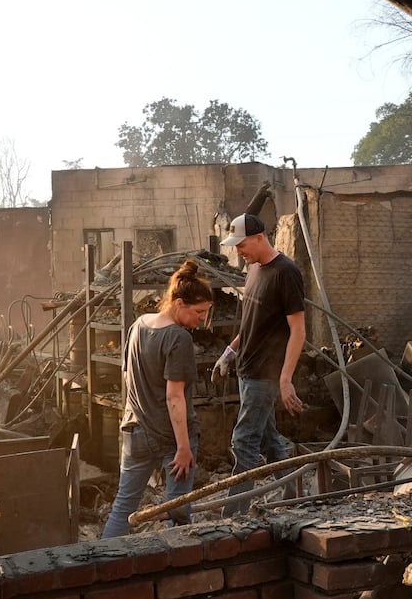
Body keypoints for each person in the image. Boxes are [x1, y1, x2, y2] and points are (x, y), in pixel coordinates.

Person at [102, 259, 214, 536]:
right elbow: (174, 398)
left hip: (134, 430)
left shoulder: (138, 326)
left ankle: (100, 562)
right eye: (199, 311)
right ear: (179, 304)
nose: (203, 318)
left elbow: (127, 377)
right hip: (170, 436)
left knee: (123, 506)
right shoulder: (179, 338)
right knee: (177, 509)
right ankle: (175, 567)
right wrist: (184, 447)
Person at [214, 212, 305, 509]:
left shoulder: (286, 272)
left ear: (259, 238)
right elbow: (252, 322)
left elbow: (298, 331)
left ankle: (235, 515)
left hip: (265, 376)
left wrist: (285, 378)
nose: (238, 251)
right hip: (247, 370)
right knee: (270, 442)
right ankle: (294, 499)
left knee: (243, 441)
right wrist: (230, 351)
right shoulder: (253, 269)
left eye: (241, 245)